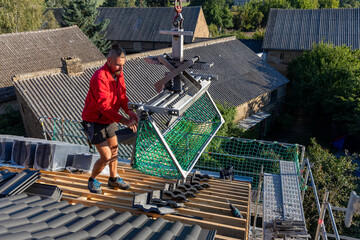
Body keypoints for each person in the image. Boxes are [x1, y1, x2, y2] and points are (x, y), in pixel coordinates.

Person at [82, 46, 138, 194]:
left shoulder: (118, 73)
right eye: (118, 64)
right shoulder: (100, 77)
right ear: (109, 60)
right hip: (94, 121)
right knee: (106, 156)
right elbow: (103, 107)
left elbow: (122, 97)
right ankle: (92, 179)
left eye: (122, 65)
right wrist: (125, 121)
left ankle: (113, 179)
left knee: (114, 150)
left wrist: (130, 112)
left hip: (109, 119)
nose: (120, 67)